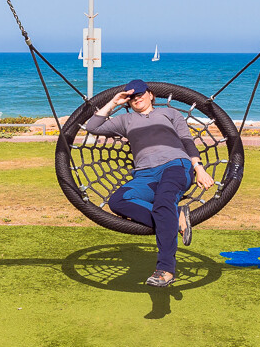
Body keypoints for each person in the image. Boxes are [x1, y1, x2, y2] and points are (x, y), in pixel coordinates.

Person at [85, 80, 215, 287]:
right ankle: (177, 215)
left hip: (175, 165)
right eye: (131, 96)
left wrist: (199, 168)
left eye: (140, 93)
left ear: (151, 94)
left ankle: (165, 269)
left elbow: (187, 140)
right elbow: (92, 127)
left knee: (164, 202)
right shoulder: (125, 120)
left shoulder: (170, 114)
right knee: (118, 201)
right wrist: (114, 101)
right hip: (144, 174)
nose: (136, 98)